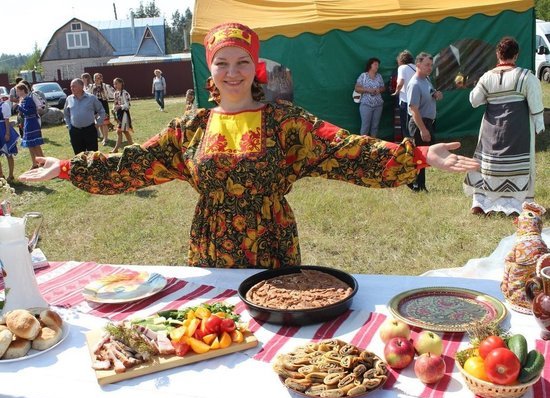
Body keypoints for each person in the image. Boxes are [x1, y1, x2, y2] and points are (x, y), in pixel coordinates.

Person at [19, 22, 479, 270]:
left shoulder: (284, 122)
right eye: (223, 63)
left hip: (273, 245)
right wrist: (67, 168)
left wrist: (417, 155)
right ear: (211, 68)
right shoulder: (191, 127)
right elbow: (134, 163)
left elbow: (344, 149)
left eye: (242, 62)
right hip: (210, 246)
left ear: (255, 67)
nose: (232, 71)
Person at [464, 37, 544, 216]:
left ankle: (482, 202)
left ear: (498, 54)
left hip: (491, 130)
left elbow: (474, 101)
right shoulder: (526, 76)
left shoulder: (487, 77)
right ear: (515, 55)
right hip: (517, 129)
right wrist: (539, 126)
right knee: (518, 164)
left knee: (488, 164)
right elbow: (536, 105)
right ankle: (517, 204)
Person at [406, 52, 443, 192]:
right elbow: (414, 109)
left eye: (431, 65)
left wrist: (436, 94)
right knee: (420, 156)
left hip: (428, 123)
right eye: (427, 65)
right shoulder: (414, 84)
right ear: (418, 65)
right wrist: (422, 129)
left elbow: (430, 92)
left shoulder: (426, 80)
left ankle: (419, 184)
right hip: (419, 124)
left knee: (425, 155)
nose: (430, 67)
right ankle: (416, 185)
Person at [63, 78, 105, 155]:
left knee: (92, 156)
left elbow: (102, 111)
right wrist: (69, 126)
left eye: (74, 86)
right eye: (71, 86)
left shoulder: (91, 98)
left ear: (81, 86)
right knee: (79, 156)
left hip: (90, 130)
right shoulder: (69, 99)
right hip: (75, 132)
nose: (71, 88)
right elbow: (66, 114)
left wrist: (98, 123)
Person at [15, 83, 44, 169]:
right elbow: (24, 113)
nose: (17, 93)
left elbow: (31, 112)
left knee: (36, 144)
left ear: (23, 90)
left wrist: (20, 108)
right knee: (30, 144)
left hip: (32, 122)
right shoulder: (23, 100)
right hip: (27, 122)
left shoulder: (29, 99)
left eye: (18, 91)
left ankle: (44, 162)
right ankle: (35, 164)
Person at [354, 57, 385, 136]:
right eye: (375, 64)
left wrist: (379, 90)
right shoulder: (363, 76)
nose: (377, 66)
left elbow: (383, 88)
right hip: (366, 105)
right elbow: (357, 88)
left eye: (378, 65)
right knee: (365, 126)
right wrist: (368, 90)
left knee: (375, 126)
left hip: (378, 105)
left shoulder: (379, 76)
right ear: (370, 65)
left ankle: (373, 145)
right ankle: (362, 145)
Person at [392, 50, 416, 139]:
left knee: (406, 126)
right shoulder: (417, 68)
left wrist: (396, 91)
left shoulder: (402, 68)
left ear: (401, 60)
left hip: (406, 101)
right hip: (418, 102)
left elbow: (401, 81)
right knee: (415, 124)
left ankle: (408, 146)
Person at [90, 73, 114, 146]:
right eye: (95, 78)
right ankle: (104, 137)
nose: (97, 79)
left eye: (98, 78)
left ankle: (106, 138)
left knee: (105, 122)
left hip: (103, 103)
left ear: (101, 79)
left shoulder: (106, 86)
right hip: (95, 104)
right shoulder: (91, 87)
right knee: (99, 122)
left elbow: (113, 93)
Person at [112, 77, 134, 153]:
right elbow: (115, 103)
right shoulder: (115, 93)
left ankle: (116, 149)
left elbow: (128, 105)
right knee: (122, 131)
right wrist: (114, 109)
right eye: (114, 84)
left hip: (124, 113)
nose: (115, 85)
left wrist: (120, 106)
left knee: (122, 131)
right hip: (119, 114)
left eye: (116, 83)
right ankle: (132, 146)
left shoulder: (125, 93)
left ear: (121, 83)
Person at [0, 94, 18, 181]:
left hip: (3, 130)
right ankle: (1, 175)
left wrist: (7, 133)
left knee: (8, 153)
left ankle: (11, 175)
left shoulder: (4, 105)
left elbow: (7, 120)